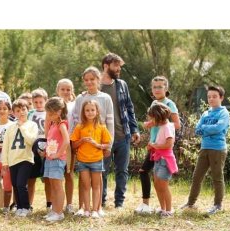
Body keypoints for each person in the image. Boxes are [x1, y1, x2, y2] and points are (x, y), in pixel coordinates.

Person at [180, 85, 230, 215]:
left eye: (214, 96)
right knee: (197, 177)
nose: (211, 99)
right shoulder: (206, 113)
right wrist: (209, 128)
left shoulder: (224, 113)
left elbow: (218, 128)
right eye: (209, 97)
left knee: (217, 178)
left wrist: (205, 129)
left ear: (221, 98)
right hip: (204, 148)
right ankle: (190, 203)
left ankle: (218, 205)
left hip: (218, 149)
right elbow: (197, 129)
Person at [71, 66, 114, 216]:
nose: (89, 82)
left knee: (99, 178)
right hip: (82, 147)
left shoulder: (105, 98)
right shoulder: (80, 98)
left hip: (100, 144)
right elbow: (76, 120)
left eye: (92, 79)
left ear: (98, 80)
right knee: (83, 180)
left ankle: (98, 207)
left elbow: (110, 123)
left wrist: (108, 146)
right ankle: (83, 207)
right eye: (86, 80)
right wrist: (74, 144)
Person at [135, 76, 181, 214]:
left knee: (151, 175)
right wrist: (149, 125)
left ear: (166, 88)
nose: (157, 89)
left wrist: (155, 123)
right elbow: (155, 122)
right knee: (150, 175)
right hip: (154, 146)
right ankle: (153, 205)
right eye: (154, 87)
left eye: (160, 87)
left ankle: (161, 207)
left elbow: (177, 125)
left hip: (162, 147)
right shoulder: (154, 103)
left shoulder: (169, 103)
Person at [100, 52, 140, 209]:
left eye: (119, 67)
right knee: (101, 171)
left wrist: (135, 128)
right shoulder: (97, 86)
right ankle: (101, 201)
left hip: (123, 135)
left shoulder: (122, 84)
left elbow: (129, 108)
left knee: (122, 171)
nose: (118, 69)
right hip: (103, 138)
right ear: (106, 66)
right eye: (116, 66)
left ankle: (119, 203)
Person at [1, 99, 38, 217]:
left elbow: (31, 140)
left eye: (23, 109)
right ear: (13, 113)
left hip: (25, 158)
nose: (21, 112)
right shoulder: (10, 128)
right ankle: (19, 206)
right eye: (18, 110)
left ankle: (26, 207)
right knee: (15, 184)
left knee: (22, 184)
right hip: (13, 160)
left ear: (28, 110)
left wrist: (22, 127)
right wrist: (5, 162)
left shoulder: (32, 125)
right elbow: (5, 146)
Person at [146, 102, 178, 217]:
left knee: (163, 186)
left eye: (152, 118)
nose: (151, 121)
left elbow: (169, 144)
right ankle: (162, 208)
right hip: (158, 157)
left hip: (165, 160)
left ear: (158, 117)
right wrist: (153, 146)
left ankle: (169, 210)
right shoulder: (161, 126)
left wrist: (155, 145)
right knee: (157, 184)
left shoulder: (168, 127)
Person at [43, 97, 70, 222]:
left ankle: (59, 213)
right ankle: (54, 210)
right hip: (50, 159)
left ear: (58, 112)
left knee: (58, 186)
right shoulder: (53, 124)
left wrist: (59, 154)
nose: (48, 116)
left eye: (50, 114)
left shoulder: (62, 124)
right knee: (53, 186)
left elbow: (66, 140)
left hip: (57, 160)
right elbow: (48, 138)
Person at [27, 88, 51, 213]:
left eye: (41, 102)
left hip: (47, 148)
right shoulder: (30, 114)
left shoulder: (49, 113)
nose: (38, 104)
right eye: (35, 102)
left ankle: (49, 204)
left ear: (46, 101)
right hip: (33, 149)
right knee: (31, 179)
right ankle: (29, 205)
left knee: (47, 178)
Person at [56, 78, 76, 214]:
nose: (65, 92)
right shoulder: (53, 104)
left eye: (68, 89)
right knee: (54, 175)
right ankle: (54, 203)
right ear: (58, 90)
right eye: (62, 89)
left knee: (69, 173)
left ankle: (69, 204)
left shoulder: (75, 105)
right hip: (55, 143)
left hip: (69, 143)